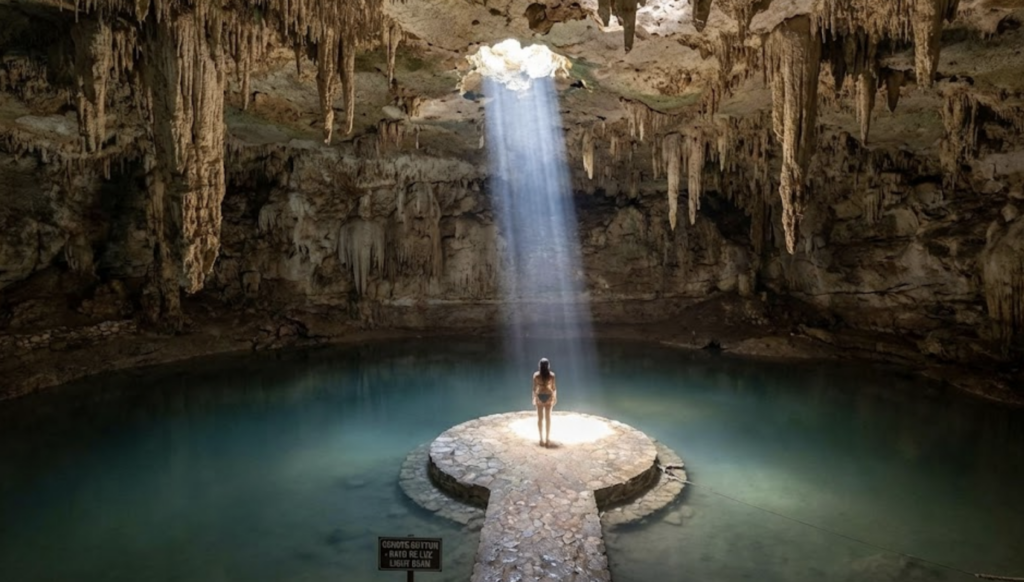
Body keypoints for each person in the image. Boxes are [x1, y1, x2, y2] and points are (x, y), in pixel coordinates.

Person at [532, 357, 557, 447]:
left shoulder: (536, 375)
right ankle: (547, 439)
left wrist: (534, 398)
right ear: (548, 366)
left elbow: (534, 389)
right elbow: (554, 388)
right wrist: (555, 398)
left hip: (539, 397)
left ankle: (541, 439)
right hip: (549, 396)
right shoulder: (552, 375)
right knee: (548, 418)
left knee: (540, 418)